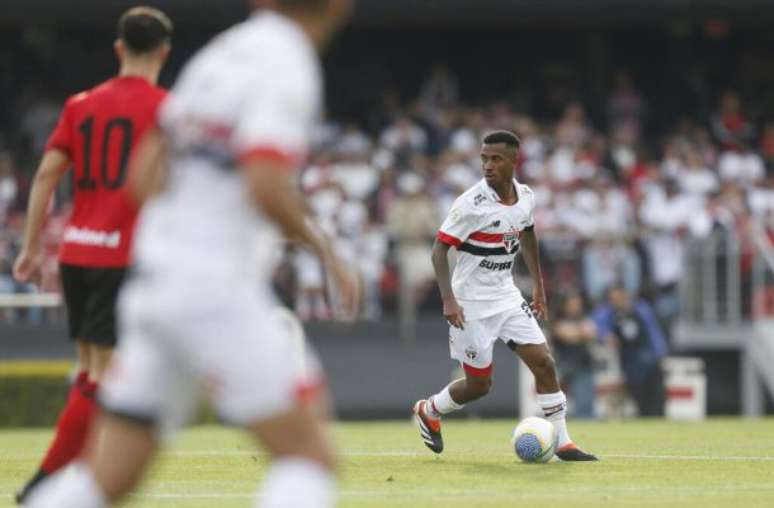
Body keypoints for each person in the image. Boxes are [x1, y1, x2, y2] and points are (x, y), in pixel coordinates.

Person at [26, 1, 356, 507]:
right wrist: (327, 252)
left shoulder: (218, 57)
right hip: (214, 289)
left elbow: (144, 175)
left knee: (106, 480)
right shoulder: (289, 63)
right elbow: (264, 181)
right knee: (308, 459)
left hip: (153, 284)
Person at [13, 7, 172, 503]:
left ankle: (69, 476)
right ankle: (47, 482)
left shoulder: (81, 104)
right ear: (163, 52)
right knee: (107, 375)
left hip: (77, 252)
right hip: (121, 257)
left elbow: (45, 175)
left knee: (88, 370)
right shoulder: (166, 108)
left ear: (119, 49)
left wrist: (31, 247)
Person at [412, 130, 597, 461]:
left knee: (544, 362)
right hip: (470, 304)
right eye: (484, 158)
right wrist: (448, 299)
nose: (488, 165)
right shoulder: (471, 203)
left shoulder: (526, 196)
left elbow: (527, 235)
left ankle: (564, 442)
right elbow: (439, 251)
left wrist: (538, 285)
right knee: (479, 386)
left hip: (507, 296)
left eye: (496, 159)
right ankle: (430, 409)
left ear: (514, 160)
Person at [592, 285, 668, 416]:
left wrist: (660, 353)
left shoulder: (640, 309)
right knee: (640, 397)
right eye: (612, 299)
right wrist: (604, 335)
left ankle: (659, 420)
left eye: (617, 297)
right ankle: (646, 419)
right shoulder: (610, 313)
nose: (615, 301)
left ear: (625, 295)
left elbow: (653, 332)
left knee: (658, 394)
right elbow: (595, 325)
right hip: (631, 362)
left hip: (650, 358)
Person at [551, 293, 596, 418]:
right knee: (577, 403)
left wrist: (578, 333)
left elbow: (591, 332)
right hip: (567, 368)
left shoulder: (583, 319)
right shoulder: (559, 321)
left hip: (584, 365)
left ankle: (586, 424)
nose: (575, 307)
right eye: (572, 304)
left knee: (586, 402)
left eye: (577, 304)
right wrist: (580, 333)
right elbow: (566, 334)